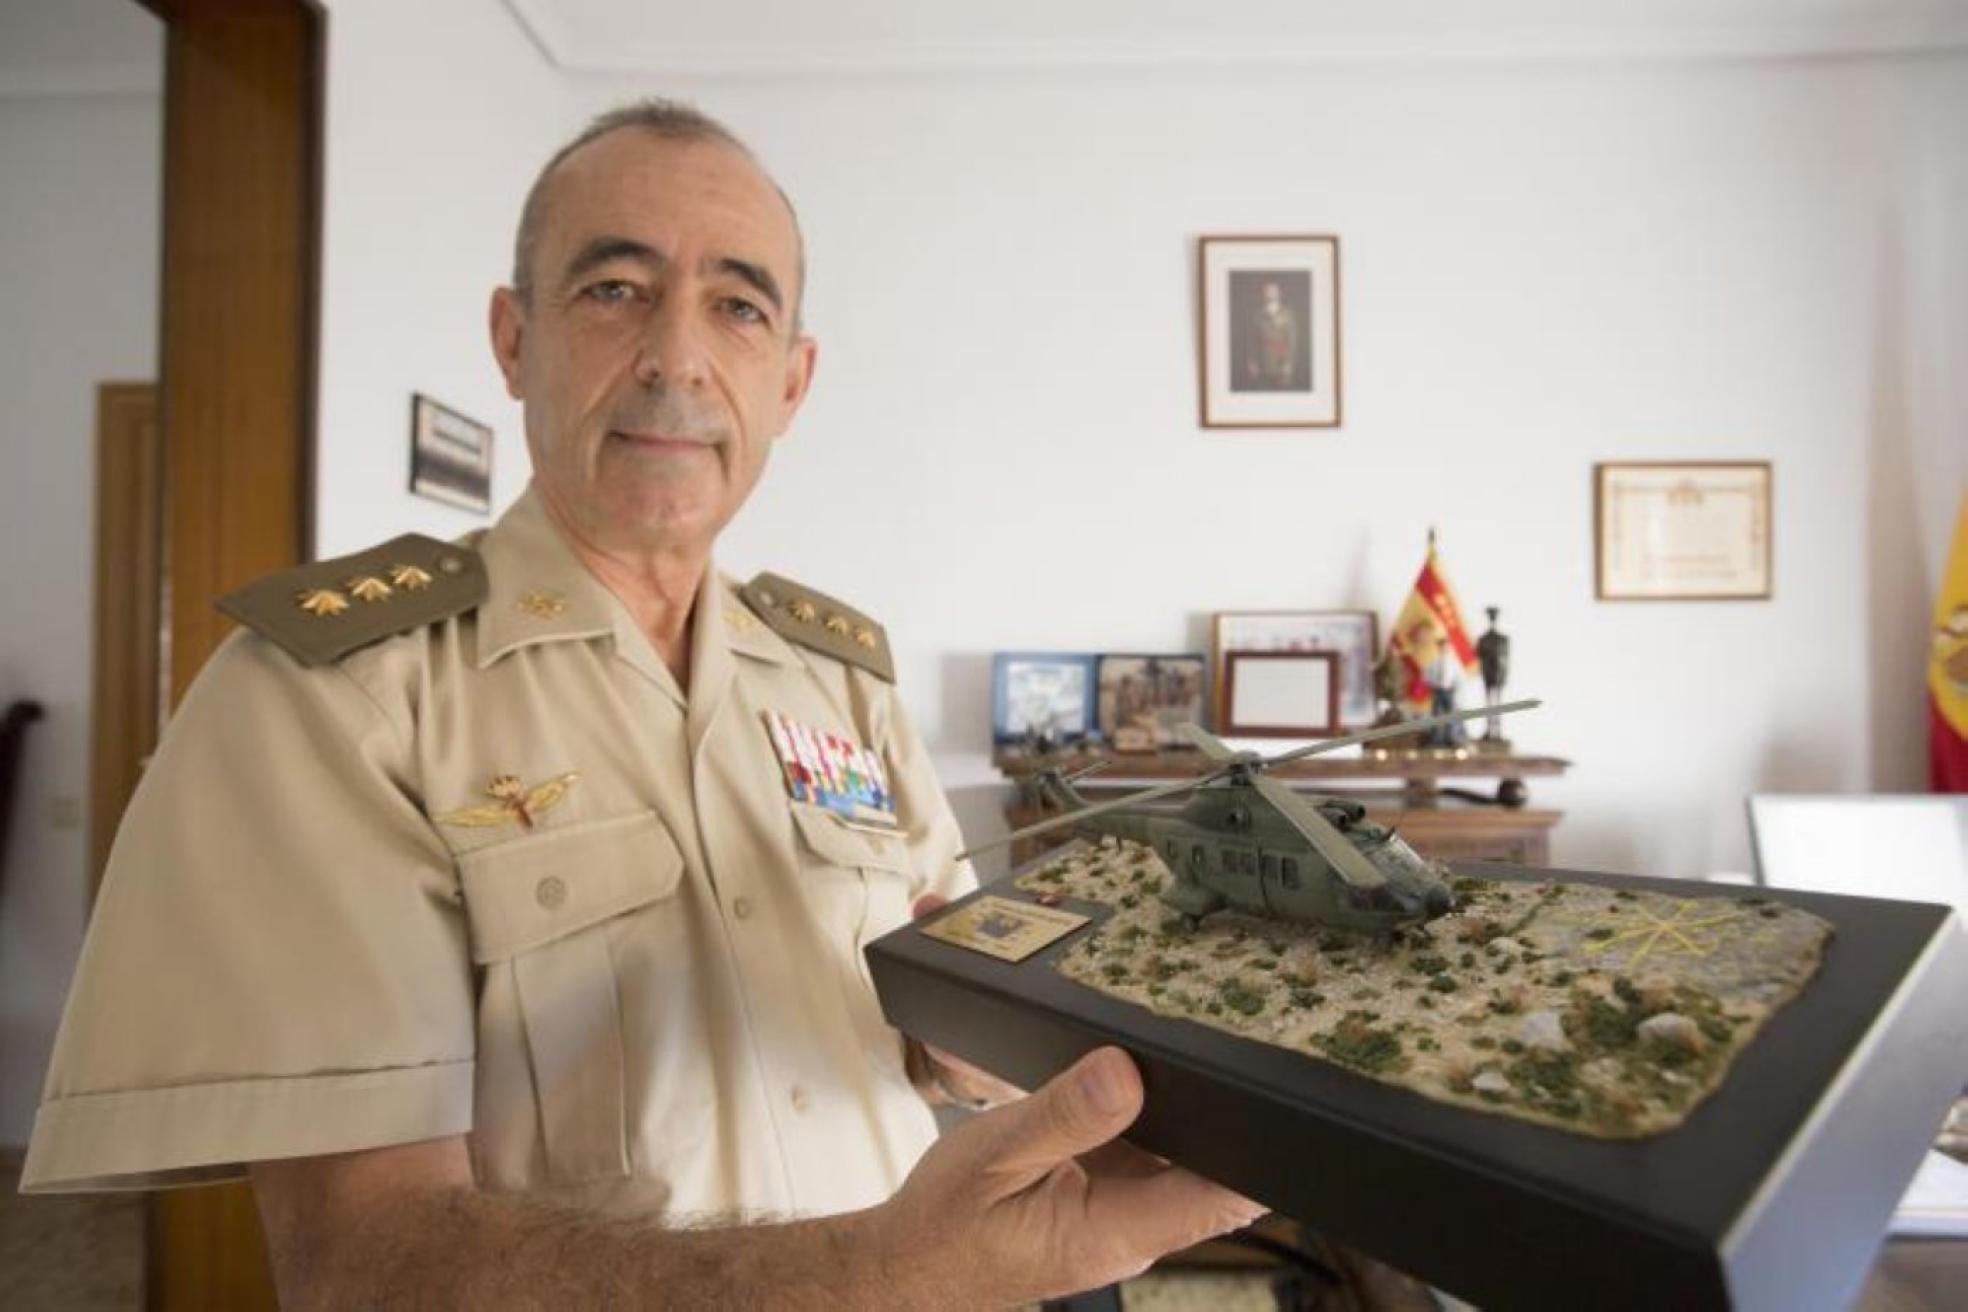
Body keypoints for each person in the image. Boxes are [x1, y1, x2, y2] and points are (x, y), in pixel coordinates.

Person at [21, 101, 1261, 1305]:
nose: (677, 356)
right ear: (514, 341)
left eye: (737, 306)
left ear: (791, 381)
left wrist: (990, 1049)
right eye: (614, 289)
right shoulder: (330, 698)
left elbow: (946, 1042)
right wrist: (892, 1280)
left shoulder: (843, 678)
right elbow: (364, 1266)